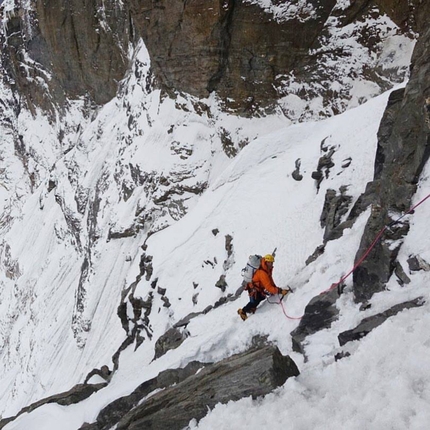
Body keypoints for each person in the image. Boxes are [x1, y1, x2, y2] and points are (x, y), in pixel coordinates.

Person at [237, 254, 289, 321]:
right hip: (253, 287)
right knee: (253, 302)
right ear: (266, 262)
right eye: (270, 262)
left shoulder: (267, 268)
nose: (271, 264)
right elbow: (268, 288)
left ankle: (252, 308)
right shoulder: (262, 272)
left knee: (261, 297)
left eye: (272, 262)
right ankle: (243, 311)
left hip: (257, 288)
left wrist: (275, 288)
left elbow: (269, 279)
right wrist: (279, 291)